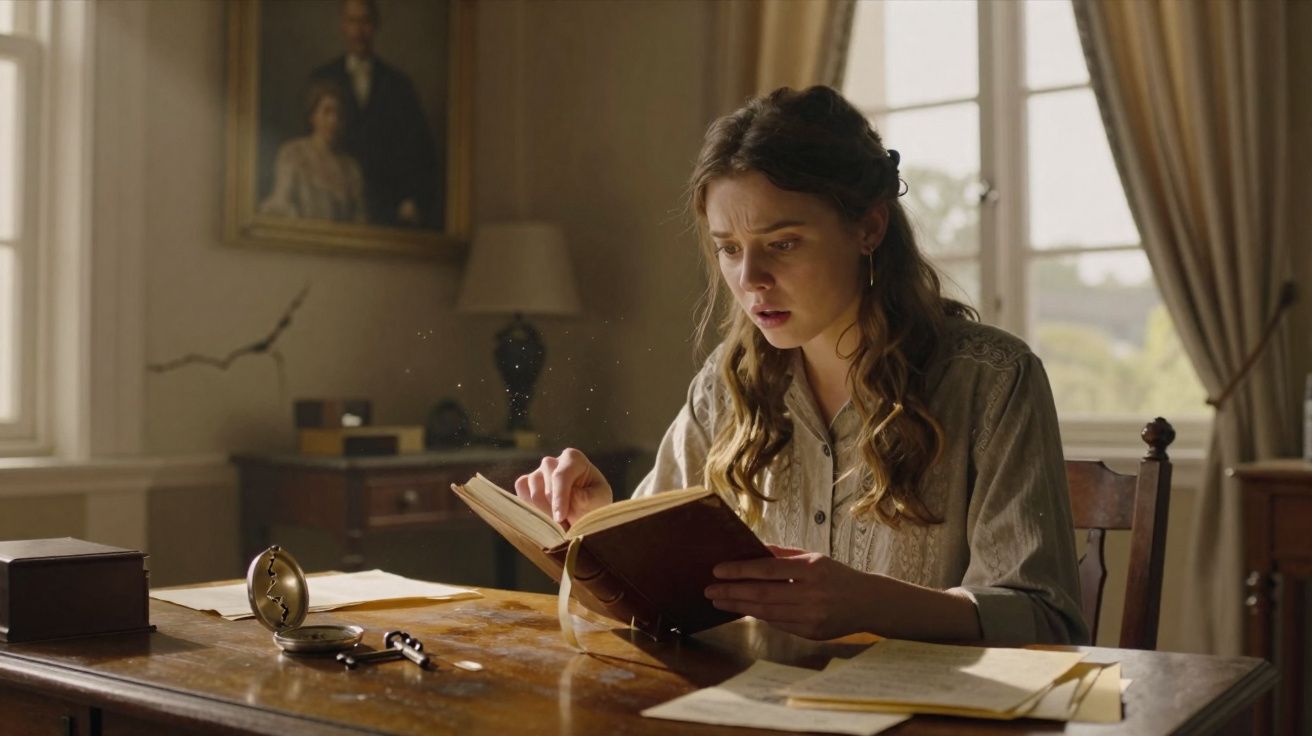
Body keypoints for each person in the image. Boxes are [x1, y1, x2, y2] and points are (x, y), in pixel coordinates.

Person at [516, 86, 1087, 646]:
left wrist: (871, 604)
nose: (750, 280)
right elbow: (659, 587)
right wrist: (599, 519)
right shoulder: (725, 382)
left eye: (783, 243)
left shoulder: (994, 380)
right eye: (729, 248)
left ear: (869, 227)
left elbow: (1046, 620)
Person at [309, 0, 440, 228]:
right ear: (342, 25)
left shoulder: (399, 86)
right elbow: (308, 142)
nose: (359, 31)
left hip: (386, 210)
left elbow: (419, 151)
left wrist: (411, 200)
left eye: (366, 21)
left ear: (376, 25)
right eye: (352, 21)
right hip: (334, 207)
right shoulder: (322, 78)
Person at [260, 79, 366, 223]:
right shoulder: (293, 153)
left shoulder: (351, 168)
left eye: (339, 115)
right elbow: (281, 201)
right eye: (327, 112)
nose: (333, 120)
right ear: (313, 116)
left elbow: (360, 220)